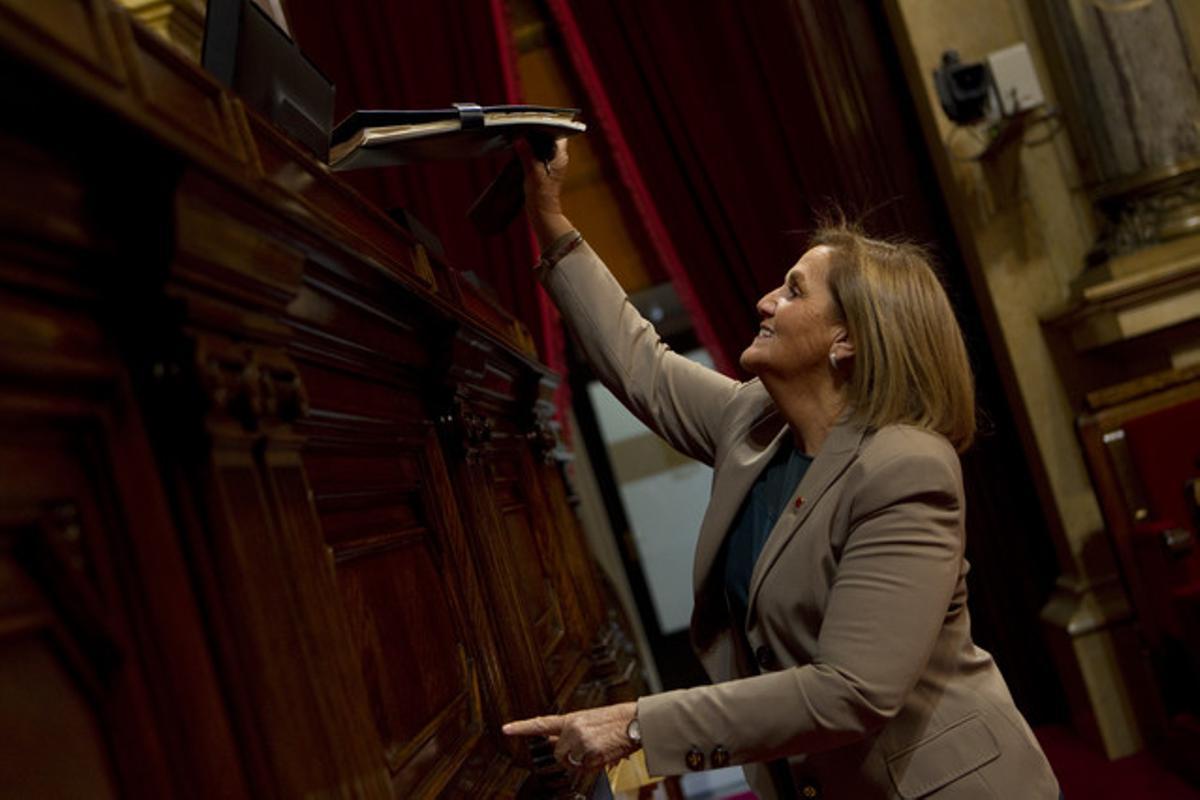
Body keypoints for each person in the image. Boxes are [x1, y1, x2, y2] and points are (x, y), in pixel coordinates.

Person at [502, 138, 1060, 799]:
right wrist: (549, 216)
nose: (766, 301)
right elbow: (641, 367)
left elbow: (852, 690)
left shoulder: (907, 468)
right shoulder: (755, 422)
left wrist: (635, 725)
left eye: (794, 290)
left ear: (847, 339)